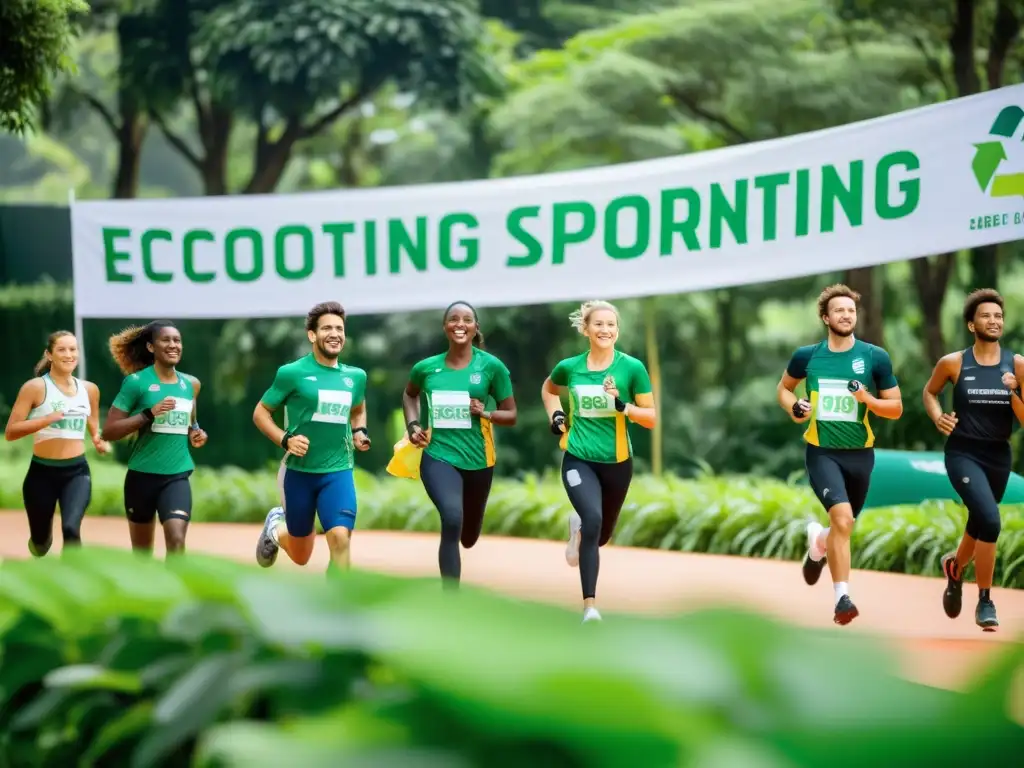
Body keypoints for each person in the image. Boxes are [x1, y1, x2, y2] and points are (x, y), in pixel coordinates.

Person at [777, 284, 903, 626]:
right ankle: (842, 598)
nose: (847, 315)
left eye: (851, 310)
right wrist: (796, 407)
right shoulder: (807, 356)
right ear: (825, 317)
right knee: (843, 519)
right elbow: (784, 389)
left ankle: (818, 542)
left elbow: (895, 408)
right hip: (822, 453)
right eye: (839, 310)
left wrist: (870, 401)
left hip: (861, 455)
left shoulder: (875, 356)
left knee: (840, 529)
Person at [540, 300, 657, 623]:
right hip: (578, 458)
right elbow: (548, 390)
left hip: (618, 462)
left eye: (611, 325)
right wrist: (557, 415)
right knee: (593, 520)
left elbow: (650, 418)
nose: (605, 330)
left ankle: (576, 531)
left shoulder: (631, 368)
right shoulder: (570, 367)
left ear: (617, 330)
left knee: (600, 535)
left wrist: (622, 405)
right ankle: (590, 606)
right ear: (586, 329)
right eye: (599, 324)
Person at [922, 288, 1022, 631]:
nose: (993, 321)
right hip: (963, 453)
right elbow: (929, 392)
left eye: (998, 316)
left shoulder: (1017, 364)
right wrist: (938, 417)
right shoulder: (954, 363)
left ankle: (954, 567)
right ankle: (985, 600)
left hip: (998, 455)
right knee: (991, 522)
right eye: (986, 315)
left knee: (980, 522)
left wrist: (1014, 391)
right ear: (971, 324)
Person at [401, 301, 517, 588]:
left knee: (468, 535)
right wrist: (413, 426)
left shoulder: (491, 367)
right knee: (452, 518)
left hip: (478, 458)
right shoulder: (426, 368)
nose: (460, 324)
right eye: (453, 319)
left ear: (476, 327)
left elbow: (511, 413)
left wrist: (485, 412)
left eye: (467, 320)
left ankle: (469, 528)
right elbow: (409, 395)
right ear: (445, 327)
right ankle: (451, 601)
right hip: (438, 455)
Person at [254, 301, 370, 573]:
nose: (335, 334)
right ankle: (275, 529)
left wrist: (359, 431)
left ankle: (338, 609)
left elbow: (358, 408)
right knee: (300, 554)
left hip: (338, 471)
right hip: (299, 473)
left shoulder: (355, 377)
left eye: (339, 329)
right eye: (327, 328)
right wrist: (286, 440)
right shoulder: (291, 373)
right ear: (312, 335)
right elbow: (260, 413)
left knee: (341, 539)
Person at [101, 321, 208, 555]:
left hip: (176, 476)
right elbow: (109, 431)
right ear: (151, 347)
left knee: (177, 540)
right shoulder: (136, 383)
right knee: (142, 556)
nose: (173, 345)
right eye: (166, 340)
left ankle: (176, 591)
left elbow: (191, 418)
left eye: (177, 340)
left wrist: (195, 432)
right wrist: (149, 414)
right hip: (142, 478)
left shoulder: (190, 384)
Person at [4, 330, 110, 555]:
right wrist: (45, 420)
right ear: (49, 354)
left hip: (77, 473)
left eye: (73, 349)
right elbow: (11, 432)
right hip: (41, 474)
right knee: (41, 544)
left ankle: (75, 584)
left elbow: (92, 420)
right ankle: (40, 543)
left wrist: (97, 439)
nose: (69, 354)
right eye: (62, 349)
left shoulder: (89, 389)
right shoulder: (35, 388)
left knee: (72, 529)